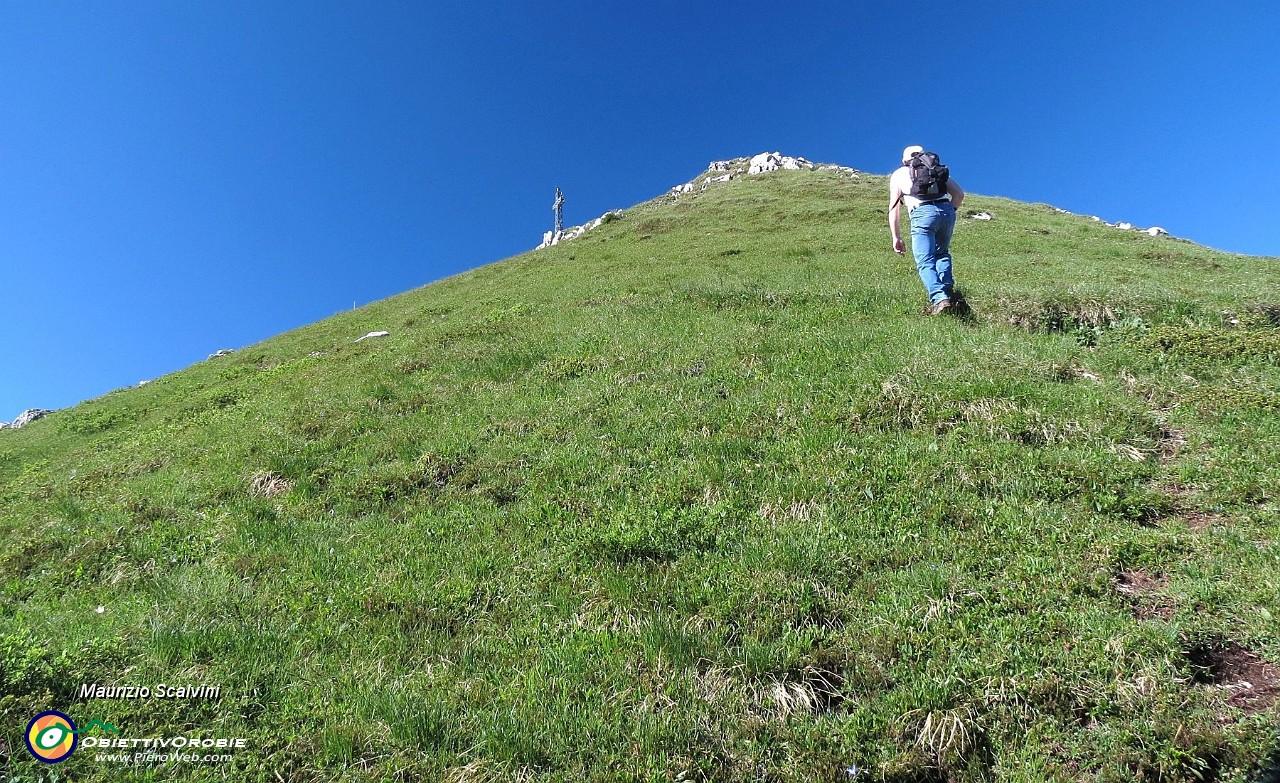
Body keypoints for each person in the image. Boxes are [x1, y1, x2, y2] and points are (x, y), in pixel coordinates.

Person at [888, 145, 965, 314]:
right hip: (946, 210)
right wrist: (950, 212)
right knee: (942, 254)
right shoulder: (934, 168)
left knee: (925, 261)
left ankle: (939, 298)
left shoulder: (900, 173)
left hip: (922, 213)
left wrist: (896, 237)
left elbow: (894, 208)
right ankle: (947, 290)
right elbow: (959, 194)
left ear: (904, 160)